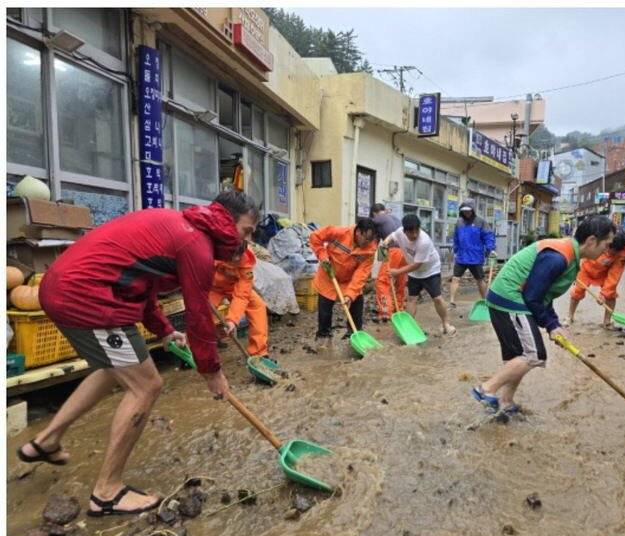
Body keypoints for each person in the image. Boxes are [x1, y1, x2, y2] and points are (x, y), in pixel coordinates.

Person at [17, 191, 258, 517]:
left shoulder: (182, 227)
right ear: (227, 221)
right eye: (246, 231)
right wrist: (212, 372)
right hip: (86, 296)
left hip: (68, 287)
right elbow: (198, 314)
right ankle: (106, 493)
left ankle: (46, 439)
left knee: (110, 370)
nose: (246, 241)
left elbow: (143, 285)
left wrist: (164, 331)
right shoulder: (195, 245)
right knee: (146, 385)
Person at [472, 216, 615, 418]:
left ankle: (506, 402)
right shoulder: (558, 257)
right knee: (535, 355)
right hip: (509, 298)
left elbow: (544, 296)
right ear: (591, 241)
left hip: (507, 298)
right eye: (606, 244)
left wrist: (553, 324)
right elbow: (533, 296)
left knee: (517, 356)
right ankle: (486, 389)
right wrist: (550, 325)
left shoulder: (570, 257)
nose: (607, 251)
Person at [381, 214, 456, 335]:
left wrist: (396, 272)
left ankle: (446, 324)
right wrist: (385, 242)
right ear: (404, 231)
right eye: (411, 232)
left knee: (437, 298)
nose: (414, 235)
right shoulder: (400, 232)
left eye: (417, 231)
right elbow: (392, 236)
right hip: (414, 272)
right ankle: (410, 328)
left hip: (430, 270)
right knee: (411, 299)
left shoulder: (424, 241)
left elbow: (417, 265)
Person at [309, 218, 378, 339]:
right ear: (358, 232)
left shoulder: (370, 250)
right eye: (366, 238)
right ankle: (324, 336)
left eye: (371, 239)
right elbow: (315, 237)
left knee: (357, 303)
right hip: (329, 275)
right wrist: (323, 255)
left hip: (349, 280)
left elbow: (361, 274)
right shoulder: (340, 232)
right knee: (325, 309)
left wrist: (350, 294)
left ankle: (354, 334)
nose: (368, 242)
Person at [210, 235, 271, 359]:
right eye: (233, 257)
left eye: (239, 255)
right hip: (212, 288)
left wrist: (232, 320)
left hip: (234, 288)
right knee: (202, 313)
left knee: (258, 306)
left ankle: (259, 353)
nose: (237, 259)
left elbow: (242, 294)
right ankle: (190, 347)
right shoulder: (211, 252)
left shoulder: (246, 262)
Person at [567, 230, 625, 328]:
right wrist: (573, 269)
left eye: (614, 252)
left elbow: (614, 276)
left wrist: (604, 294)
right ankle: (570, 316)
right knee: (577, 291)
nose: (609, 252)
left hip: (604, 273)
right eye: (609, 249)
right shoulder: (599, 243)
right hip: (586, 269)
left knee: (611, 295)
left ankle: (607, 321)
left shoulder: (621, 255)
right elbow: (580, 252)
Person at [449, 199, 496, 307]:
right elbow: (456, 237)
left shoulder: (481, 222)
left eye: (469, 211)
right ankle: (451, 301)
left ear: (473, 210)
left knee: (479, 280)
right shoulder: (459, 222)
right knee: (455, 278)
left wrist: (490, 249)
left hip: (475, 257)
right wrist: (455, 249)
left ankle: (485, 300)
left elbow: (488, 236)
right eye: (464, 211)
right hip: (461, 256)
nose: (466, 213)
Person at [370, 203, 407, 321]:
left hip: (391, 250)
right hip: (404, 251)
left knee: (381, 281)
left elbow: (365, 227)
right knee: (400, 280)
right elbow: (382, 242)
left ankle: (385, 312)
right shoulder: (395, 218)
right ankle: (399, 308)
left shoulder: (378, 218)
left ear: (374, 213)